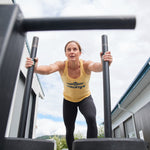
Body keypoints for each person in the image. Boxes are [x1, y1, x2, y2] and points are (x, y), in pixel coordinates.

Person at [25, 40, 113, 150]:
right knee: (69, 128)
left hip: (85, 98)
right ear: (66, 53)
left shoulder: (85, 64)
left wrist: (104, 63)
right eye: (69, 49)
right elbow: (49, 69)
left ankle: (91, 147)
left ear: (80, 53)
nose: (72, 52)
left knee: (91, 118)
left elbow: (96, 67)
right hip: (68, 100)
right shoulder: (61, 65)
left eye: (75, 49)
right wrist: (36, 68)